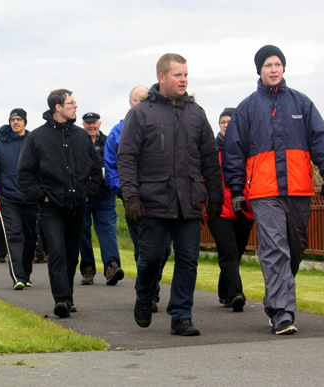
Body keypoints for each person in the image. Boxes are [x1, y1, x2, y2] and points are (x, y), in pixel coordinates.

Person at [222, 45, 324, 335]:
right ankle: (281, 313)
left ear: (283, 68)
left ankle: (277, 298)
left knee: (294, 250)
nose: (273, 70)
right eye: (267, 65)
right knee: (275, 250)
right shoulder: (247, 108)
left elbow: (321, 140)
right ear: (259, 71)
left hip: (298, 189)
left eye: (277, 64)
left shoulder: (302, 104)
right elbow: (234, 153)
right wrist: (237, 190)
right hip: (263, 192)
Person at [118, 53, 223, 336]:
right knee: (150, 258)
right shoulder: (140, 113)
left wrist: (216, 196)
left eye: (186, 74)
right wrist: (131, 197)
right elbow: (126, 157)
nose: (184, 80)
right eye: (178, 75)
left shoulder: (196, 113)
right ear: (161, 77)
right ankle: (144, 295)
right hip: (152, 201)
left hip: (188, 200)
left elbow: (210, 158)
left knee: (188, 259)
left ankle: (181, 315)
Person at [17, 89, 101, 317]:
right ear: (58, 107)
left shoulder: (82, 136)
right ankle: (61, 299)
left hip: (77, 205)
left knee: (72, 254)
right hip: (51, 206)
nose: (75, 106)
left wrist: (87, 193)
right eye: (71, 103)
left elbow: (95, 169)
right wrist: (42, 195)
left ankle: (69, 297)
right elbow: (24, 175)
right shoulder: (37, 137)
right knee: (56, 251)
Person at [104, 85, 171, 312]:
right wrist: (123, 190)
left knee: (165, 249)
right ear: (131, 103)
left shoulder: (162, 124)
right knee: (144, 248)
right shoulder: (117, 131)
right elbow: (112, 165)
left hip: (162, 196)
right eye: (137, 98)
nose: (142, 101)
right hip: (134, 198)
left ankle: (149, 285)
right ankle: (148, 293)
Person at [207, 108, 255, 313]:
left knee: (237, 251)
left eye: (230, 121)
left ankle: (224, 290)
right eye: (222, 122)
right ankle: (236, 293)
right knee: (228, 251)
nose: (226, 125)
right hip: (218, 209)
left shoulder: (249, 149)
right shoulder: (210, 150)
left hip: (243, 208)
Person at [0, 108, 38, 290]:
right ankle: (17, 277)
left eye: (19, 119)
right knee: (14, 236)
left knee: (31, 238)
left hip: (31, 198)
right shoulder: (0, 145)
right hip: (9, 198)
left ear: (25, 122)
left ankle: (26, 274)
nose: (15, 122)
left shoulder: (33, 140)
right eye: (12, 120)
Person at [78, 112, 124, 286]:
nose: (91, 126)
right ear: (83, 124)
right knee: (83, 233)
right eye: (88, 123)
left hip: (105, 194)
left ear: (99, 123)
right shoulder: (78, 143)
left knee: (107, 231)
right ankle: (88, 269)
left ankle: (112, 267)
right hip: (84, 195)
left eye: (94, 122)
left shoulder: (108, 141)